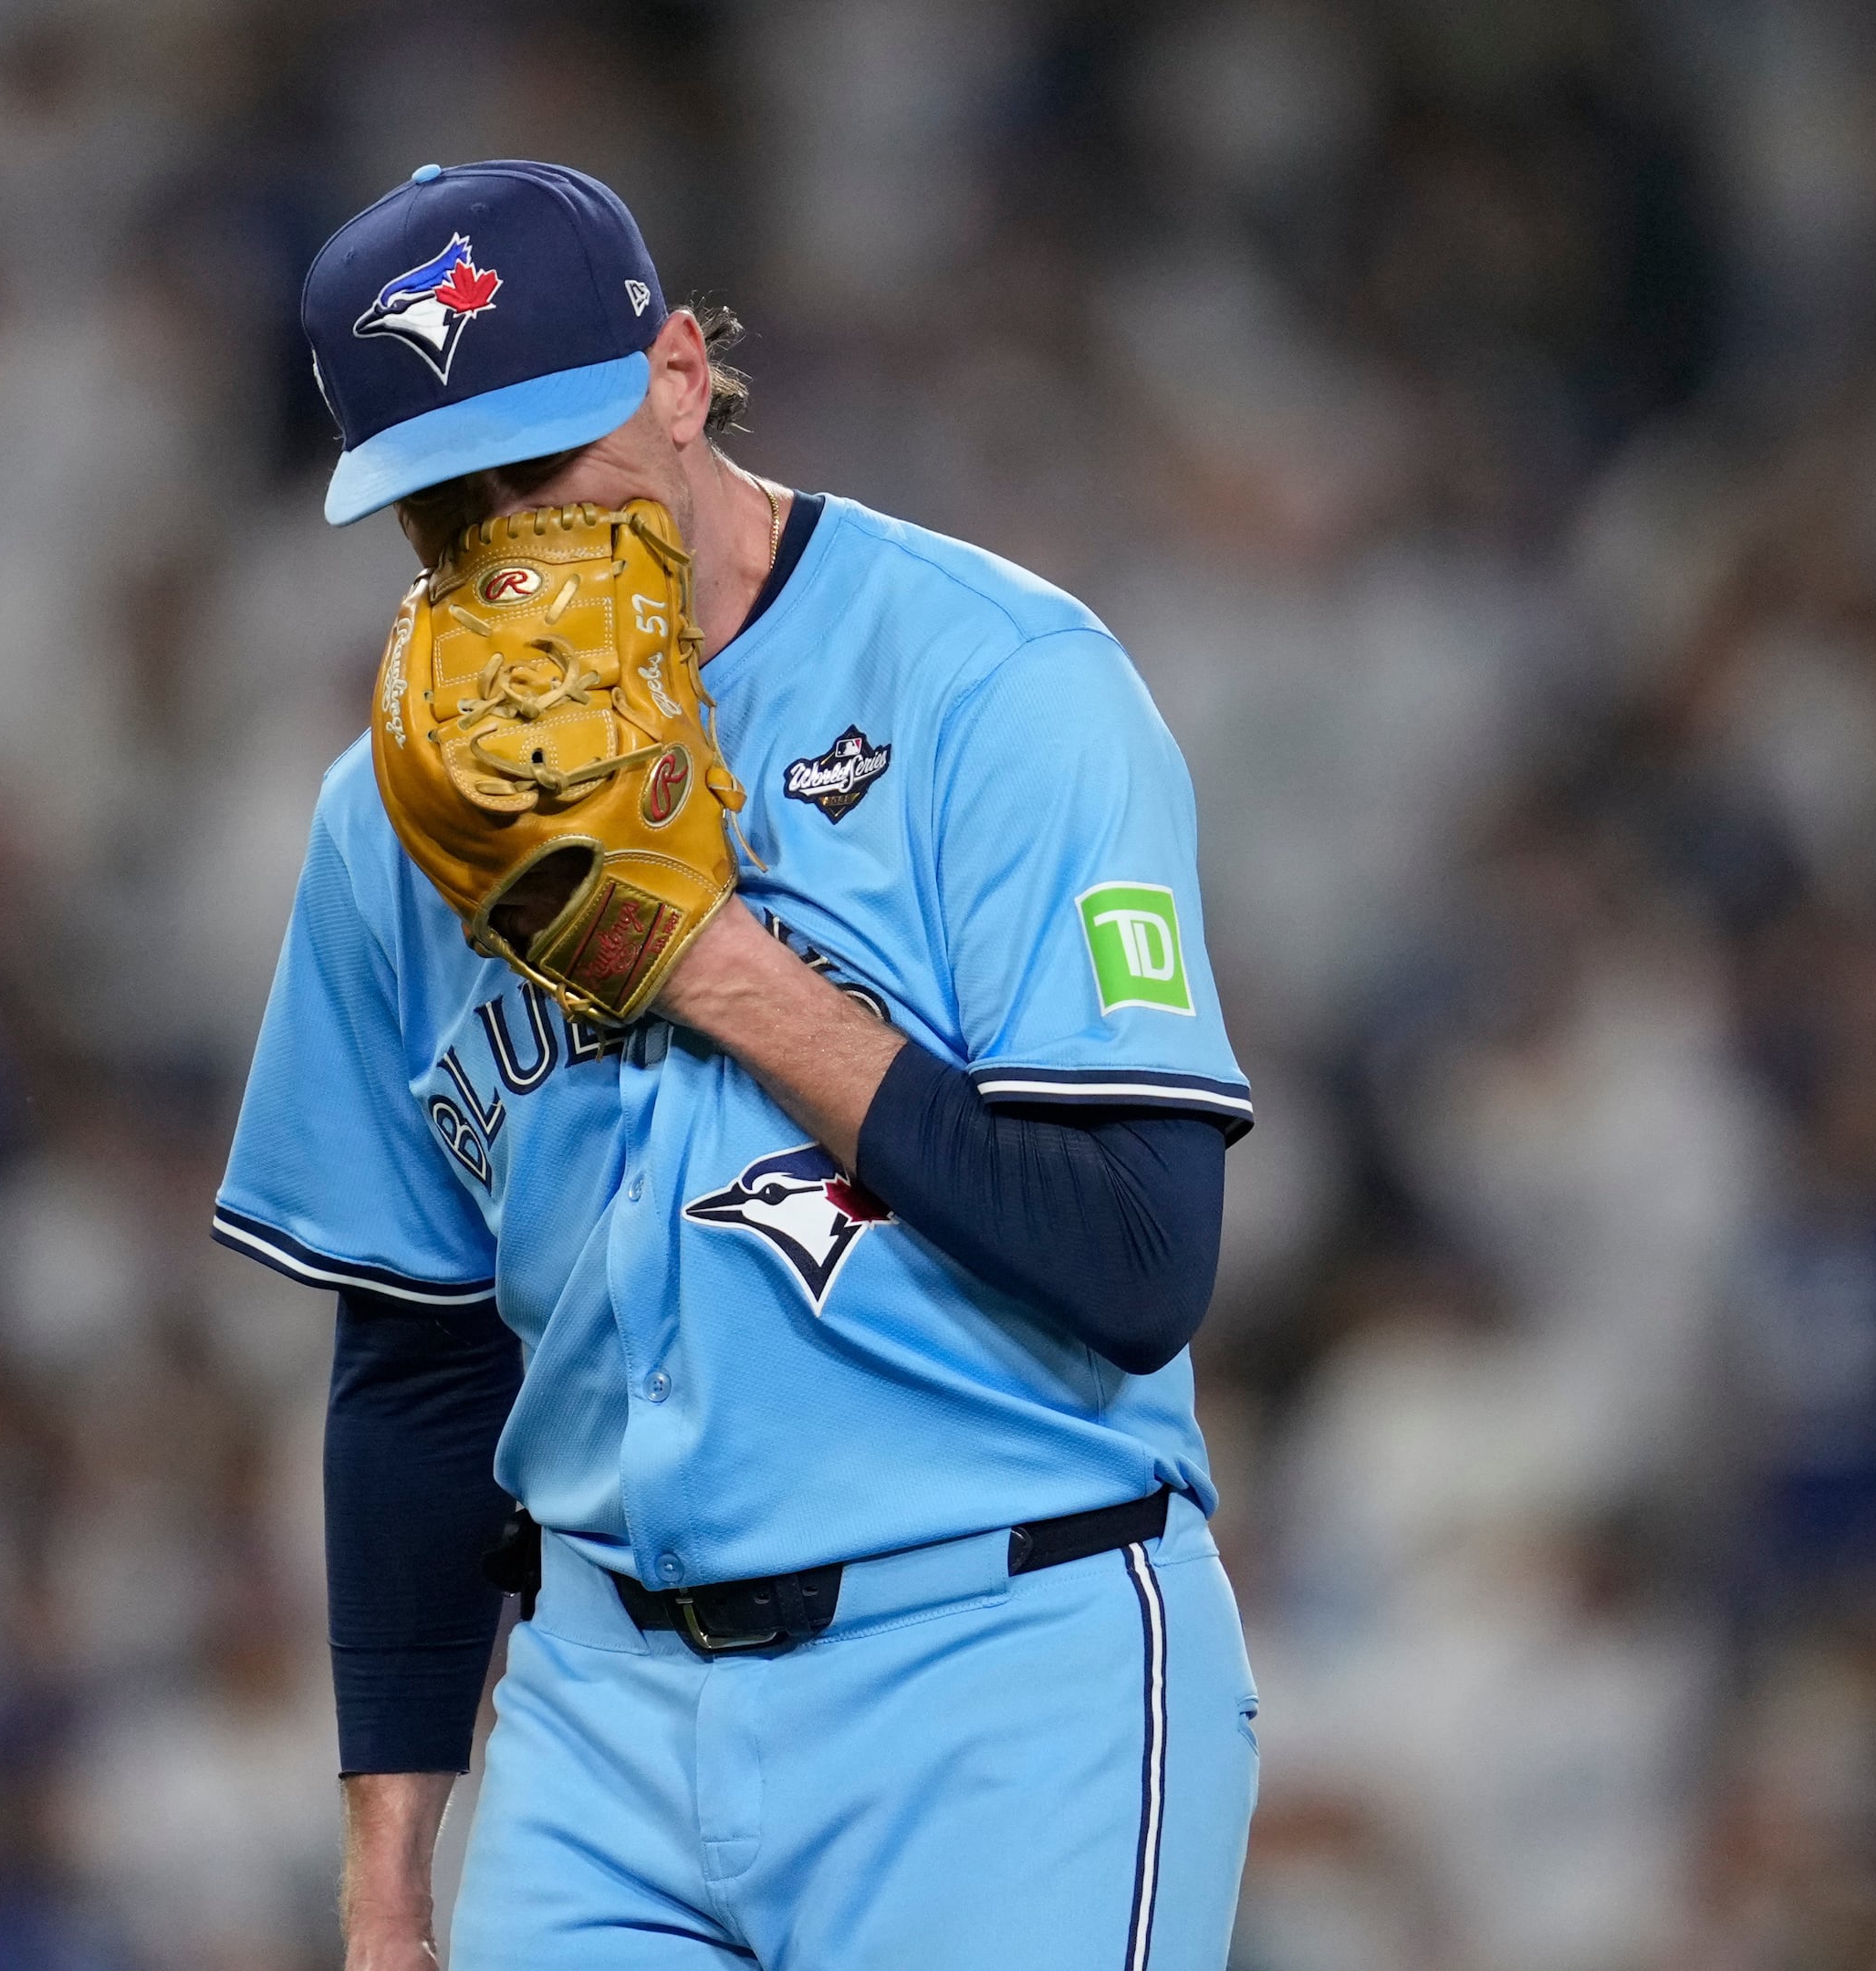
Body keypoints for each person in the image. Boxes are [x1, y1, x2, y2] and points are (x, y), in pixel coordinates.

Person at [211, 160, 1260, 1970]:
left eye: (544, 464)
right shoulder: (392, 816)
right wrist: (390, 1864)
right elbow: (414, 1366)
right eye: (442, 500)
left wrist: (701, 962)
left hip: (997, 1664)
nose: (504, 529)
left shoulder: (998, 684)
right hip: (596, 1714)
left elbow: (1137, 1262)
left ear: (680, 375)